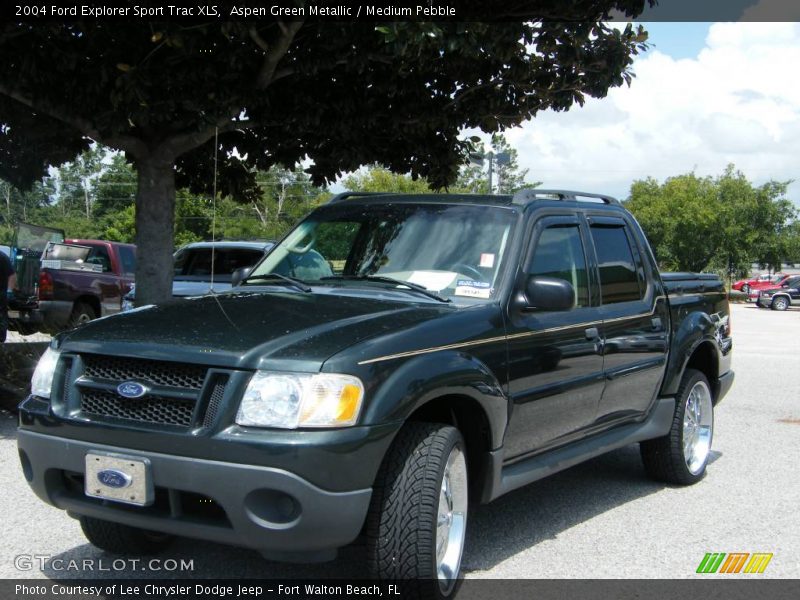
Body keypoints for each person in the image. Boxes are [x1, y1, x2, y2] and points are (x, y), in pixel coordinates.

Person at [0, 250, 16, 342]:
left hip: (1, 293)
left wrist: (9, 291)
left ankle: (1, 342)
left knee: (1, 317)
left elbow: (12, 275)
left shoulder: (2, 257)